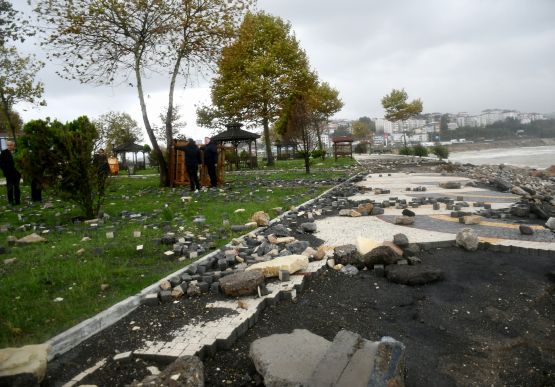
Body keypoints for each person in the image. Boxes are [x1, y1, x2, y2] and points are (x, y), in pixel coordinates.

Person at [0, 140, 21, 205]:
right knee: (10, 188)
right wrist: (5, 170)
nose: (9, 146)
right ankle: (11, 201)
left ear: (13, 145)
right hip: (8, 173)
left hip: (17, 173)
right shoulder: (4, 152)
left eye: (11, 145)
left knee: (17, 188)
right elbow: (0, 163)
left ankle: (17, 201)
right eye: (8, 145)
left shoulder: (17, 152)